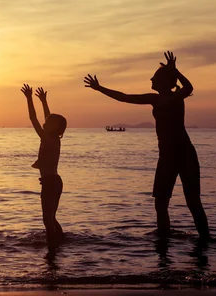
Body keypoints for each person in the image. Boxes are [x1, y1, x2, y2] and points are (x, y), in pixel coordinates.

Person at [84, 51, 209, 239]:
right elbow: (124, 97)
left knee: (193, 201)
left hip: (184, 153)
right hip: (166, 156)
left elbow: (189, 87)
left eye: (155, 76)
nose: (151, 78)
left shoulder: (176, 97)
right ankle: (163, 241)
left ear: (165, 81)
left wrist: (175, 70)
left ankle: (205, 240)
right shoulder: (154, 99)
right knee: (160, 203)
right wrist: (100, 88)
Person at [20, 84, 67, 248]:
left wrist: (29, 99)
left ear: (54, 127)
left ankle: (52, 247)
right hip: (54, 181)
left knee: (47, 219)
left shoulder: (47, 137)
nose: (46, 122)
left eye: (49, 122)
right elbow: (48, 116)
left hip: (50, 183)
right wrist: (44, 101)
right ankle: (61, 241)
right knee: (51, 217)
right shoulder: (54, 138)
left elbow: (34, 119)